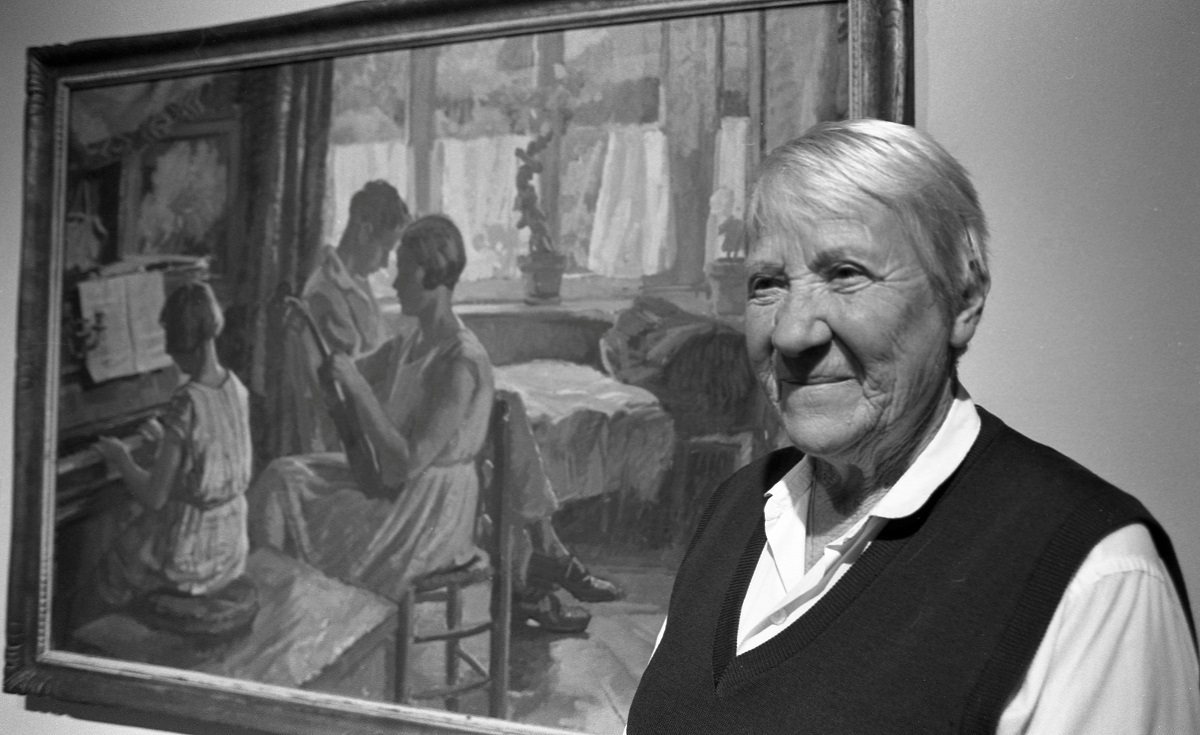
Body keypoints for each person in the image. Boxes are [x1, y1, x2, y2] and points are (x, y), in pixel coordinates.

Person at [626, 120, 1199, 734]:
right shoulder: (738, 509)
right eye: (768, 284)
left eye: (846, 273)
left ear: (964, 300)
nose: (792, 333)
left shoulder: (1092, 574)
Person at [251, 214, 620, 630]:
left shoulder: (459, 360)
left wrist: (358, 389)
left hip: (427, 514)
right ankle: (272, 608)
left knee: (309, 512)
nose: (393, 284)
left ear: (429, 274)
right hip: (397, 489)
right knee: (280, 478)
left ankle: (289, 616)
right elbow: (338, 379)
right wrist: (303, 336)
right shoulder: (410, 340)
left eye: (403, 272)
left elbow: (409, 459)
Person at [91, 281, 254, 624]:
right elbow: (210, 459)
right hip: (231, 547)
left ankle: (109, 641)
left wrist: (122, 457)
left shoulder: (186, 399)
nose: (168, 354)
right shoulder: (236, 387)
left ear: (182, 341)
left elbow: (154, 497)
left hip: (192, 557)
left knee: (110, 564)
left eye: (170, 343)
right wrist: (163, 444)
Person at [279, 179, 411, 455]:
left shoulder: (355, 283)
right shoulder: (323, 296)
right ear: (364, 232)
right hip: (352, 439)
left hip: (375, 418)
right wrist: (395, 351)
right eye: (385, 249)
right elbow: (335, 385)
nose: (387, 263)